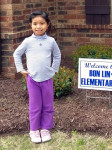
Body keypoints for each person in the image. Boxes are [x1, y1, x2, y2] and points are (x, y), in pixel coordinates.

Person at [13, 10, 61, 143]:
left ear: (47, 25)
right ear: (30, 25)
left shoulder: (51, 41)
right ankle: (33, 130)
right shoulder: (27, 41)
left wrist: (54, 69)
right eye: (35, 23)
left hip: (47, 80)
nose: (38, 26)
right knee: (35, 106)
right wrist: (20, 69)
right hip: (33, 79)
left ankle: (45, 129)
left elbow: (57, 55)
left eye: (42, 23)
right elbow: (17, 54)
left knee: (47, 105)